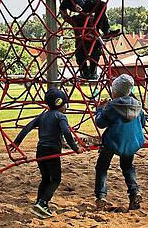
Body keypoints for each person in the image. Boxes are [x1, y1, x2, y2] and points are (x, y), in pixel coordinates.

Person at [11, 89, 86, 219]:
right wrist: (75, 148)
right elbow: (67, 133)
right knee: (56, 179)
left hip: (40, 151)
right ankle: (43, 203)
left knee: (45, 178)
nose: (66, 107)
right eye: (65, 104)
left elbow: (27, 127)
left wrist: (16, 142)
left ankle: (38, 205)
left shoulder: (43, 115)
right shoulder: (60, 116)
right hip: (52, 151)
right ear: (60, 103)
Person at [94, 74, 146, 211]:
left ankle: (101, 196)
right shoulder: (138, 105)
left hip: (113, 141)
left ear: (115, 91)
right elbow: (143, 123)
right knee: (127, 166)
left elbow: (100, 123)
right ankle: (135, 192)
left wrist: (100, 108)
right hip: (132, 142)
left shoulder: (111, 106)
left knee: (102, 167)